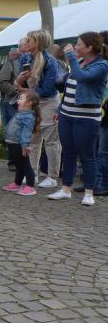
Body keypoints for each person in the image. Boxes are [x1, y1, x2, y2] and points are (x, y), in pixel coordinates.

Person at [48, 31, 108, 205]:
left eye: (79, 44)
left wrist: (71, 58)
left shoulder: (102, 65)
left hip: (86, 118)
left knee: (87, 155)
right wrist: (60, 108)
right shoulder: (79, 62)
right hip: (67, 115)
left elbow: (83, 78)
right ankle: (66, 189)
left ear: (89, 48)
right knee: (69, 153)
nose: (75, 46)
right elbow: (70, 89)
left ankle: (89, 193)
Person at [15, 29, 61, 189]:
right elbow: (20, 83)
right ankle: (32, 173)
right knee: (33, 139)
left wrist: (22, 88)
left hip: (48, 102)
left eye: (29, 40)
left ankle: (52, 176)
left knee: (51, 141)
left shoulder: (50, 62)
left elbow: (47, 90)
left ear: (38, 42)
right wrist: (19, 81)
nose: (26, 42)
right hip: (32, 102)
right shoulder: (25, 58)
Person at [3, 91, 41, 196]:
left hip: (19, 144)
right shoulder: (20, 112)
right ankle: (17, 183)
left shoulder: (29, 117)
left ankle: (30, 187)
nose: (18, 101)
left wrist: (25, 145)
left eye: (21, 99)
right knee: (18, 165)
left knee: (25, 165)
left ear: (30, 103)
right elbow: (11, 102)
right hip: (12, 142)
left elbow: (26, 132)